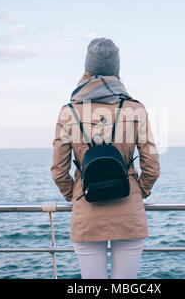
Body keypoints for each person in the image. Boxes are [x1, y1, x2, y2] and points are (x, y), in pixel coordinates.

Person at [51, 38, 160, 279]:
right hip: (128, 210)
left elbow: (59, 171)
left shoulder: (68, 112)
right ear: (117, 70)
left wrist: (75, 194)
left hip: (86, 210)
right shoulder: (136, 110)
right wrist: (138, 192)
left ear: (87, 70)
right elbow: (152, 167)